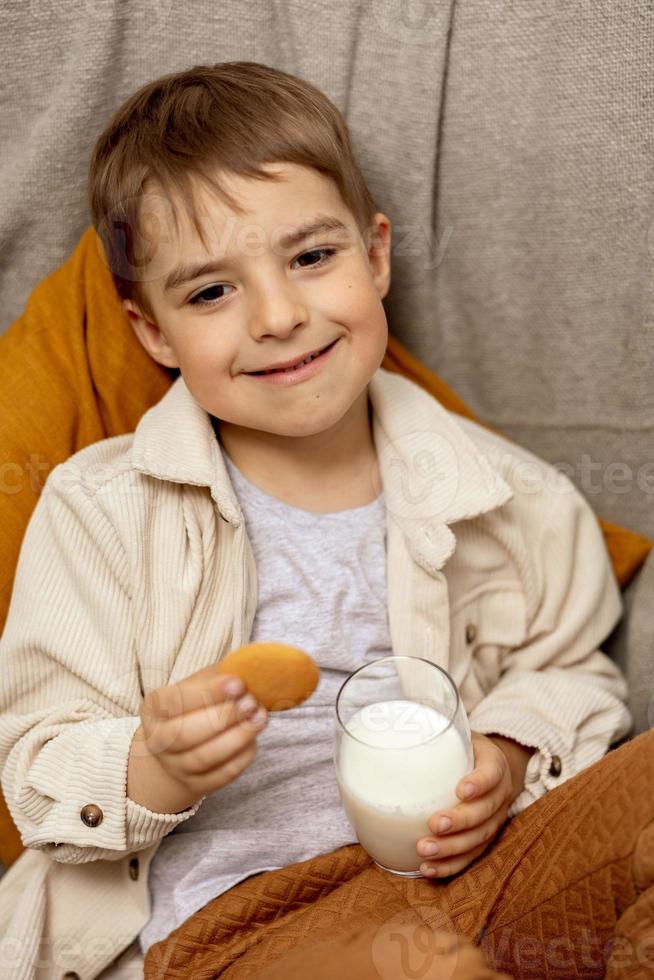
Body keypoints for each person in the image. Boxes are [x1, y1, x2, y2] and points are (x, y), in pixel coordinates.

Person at [0, 62, 633, 978]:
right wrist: (157, 762)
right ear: (152, 333)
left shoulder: (508, 496)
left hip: (479, 872)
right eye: (211, 292)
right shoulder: (100, 511)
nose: (279, 315)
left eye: (310, 258)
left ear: (375, 255)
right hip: (241, 921)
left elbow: (576, 671)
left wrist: (507, 748)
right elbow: (37, 770)